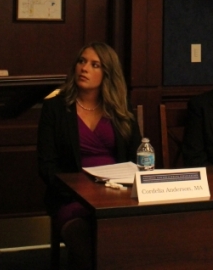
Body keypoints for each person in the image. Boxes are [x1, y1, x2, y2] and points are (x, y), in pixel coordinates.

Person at [38, 42, 141, 270]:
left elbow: (137, 158)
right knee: (83, 237)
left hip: (118, 194)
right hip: (72, 197)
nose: (84, 68)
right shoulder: (55, 107)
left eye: (94, 64)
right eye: (81, 61)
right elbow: (46, 165)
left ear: (107, 73)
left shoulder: (121, 109)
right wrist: (80, 190)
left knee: (139, 234)